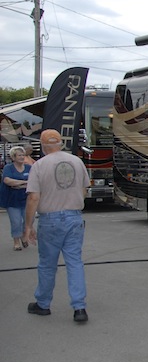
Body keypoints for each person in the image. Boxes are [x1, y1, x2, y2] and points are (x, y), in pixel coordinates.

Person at [24, 129, 91, 323]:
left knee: (47, 264)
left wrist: (28, 226)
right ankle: (79, 307)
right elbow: (84, 189)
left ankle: (43, 304)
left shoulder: (39, 165)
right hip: (74, 217)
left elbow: (33, 197)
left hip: (50, 219)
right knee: (75, 262)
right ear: (61, 144)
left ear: (44, 147)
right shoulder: (77, 162)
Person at [0, 146, 32, 250]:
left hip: (27, 199)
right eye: (19, 155)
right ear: (13, 157)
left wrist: (18, 184)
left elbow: (34, 182)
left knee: (28, 221)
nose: (22, 157)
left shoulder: (29, 168)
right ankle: (16, 242)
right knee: (16, 222)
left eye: (23, 155)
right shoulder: (8, 168)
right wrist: (24, 182)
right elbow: (8, 181)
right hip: (12, 200)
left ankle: (24, 236)